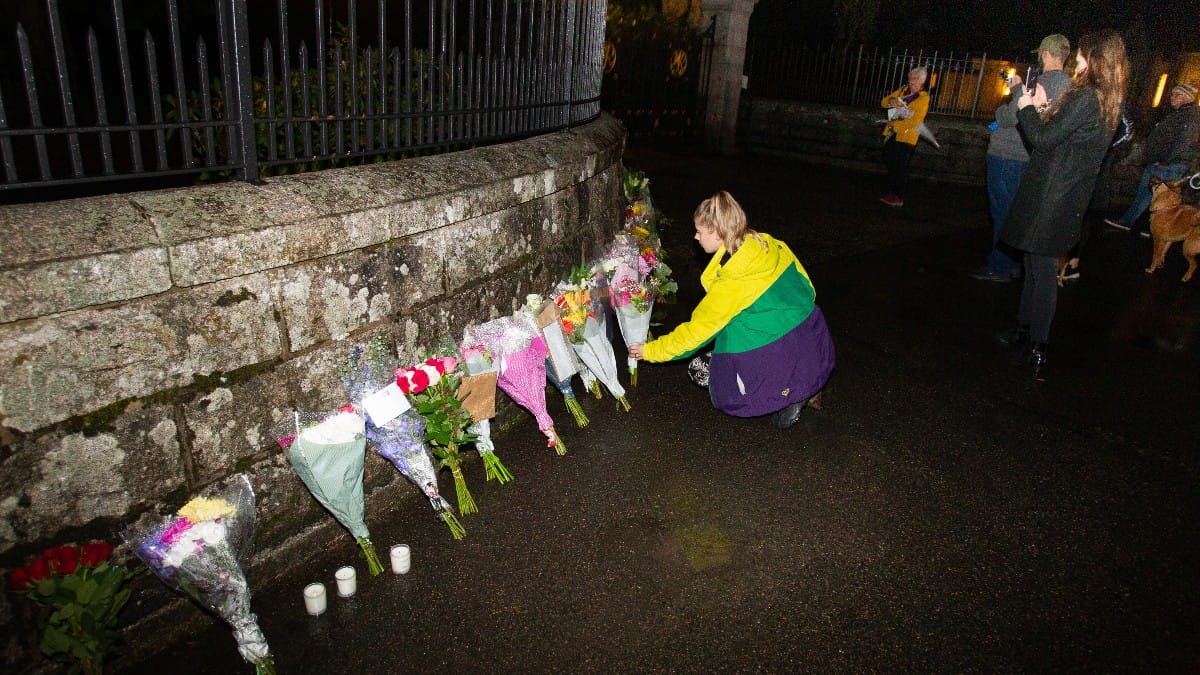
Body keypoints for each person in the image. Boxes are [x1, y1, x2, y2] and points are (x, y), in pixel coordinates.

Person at [627, 191, 835, 429]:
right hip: (813, 338)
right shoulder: (769, 244)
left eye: (699, 232)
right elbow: (807, 287)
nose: (695, 237)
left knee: (700, 369)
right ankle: (805, 383)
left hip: (773, 353)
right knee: (747, 324)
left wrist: (649, 351)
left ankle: (784, 398)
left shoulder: (731, 284)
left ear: (717, 234)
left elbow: (695, 335)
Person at [997, 30, 1129, 376]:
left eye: (1082, 53)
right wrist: (1043, 108)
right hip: (1062, 195)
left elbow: (1041, 139)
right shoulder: (1104, 99)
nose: (1077, 59)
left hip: (1051, 197)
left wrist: (1024, 104)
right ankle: (1024, 333)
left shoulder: (1087, 97)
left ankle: (1037, 346)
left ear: (1095, 57)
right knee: (1032, 265)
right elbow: (1065, 140)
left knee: (1041, 272)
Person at [969, 35, 1073, 283]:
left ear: (1046, 54)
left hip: (1008, 155)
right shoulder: (1069, 86)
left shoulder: (1041, 82)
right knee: (1016, 212)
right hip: (1028, 156)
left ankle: (999, 266)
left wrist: (1015, 92)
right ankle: (1013, 263)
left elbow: (1008, 118)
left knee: (1003, 212)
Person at [1104, 82, 1199, 235]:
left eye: (1175, 95)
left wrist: (1164, 160)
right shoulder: (1182, 114)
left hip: (1168, 165)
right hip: (1166, 163)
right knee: (1150, 195)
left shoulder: (1188, 116)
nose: (1171, 98)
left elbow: (1183, 142)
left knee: (1152, 195)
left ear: (1183, 97)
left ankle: (1132, 222)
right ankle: (1145, 226)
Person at [878, 67, 930, 207]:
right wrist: (892, 101)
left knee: (900, 166)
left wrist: (895, 124)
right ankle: (892, 192)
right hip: (893, 133)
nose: (911, 82)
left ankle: (897, 196)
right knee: (889, 160)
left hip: (907, 137)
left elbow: (915, 121)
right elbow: (884, 102)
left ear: (922, 82)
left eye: (915, 79)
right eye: (910, 78)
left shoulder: (923, 98)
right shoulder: (903, 90)